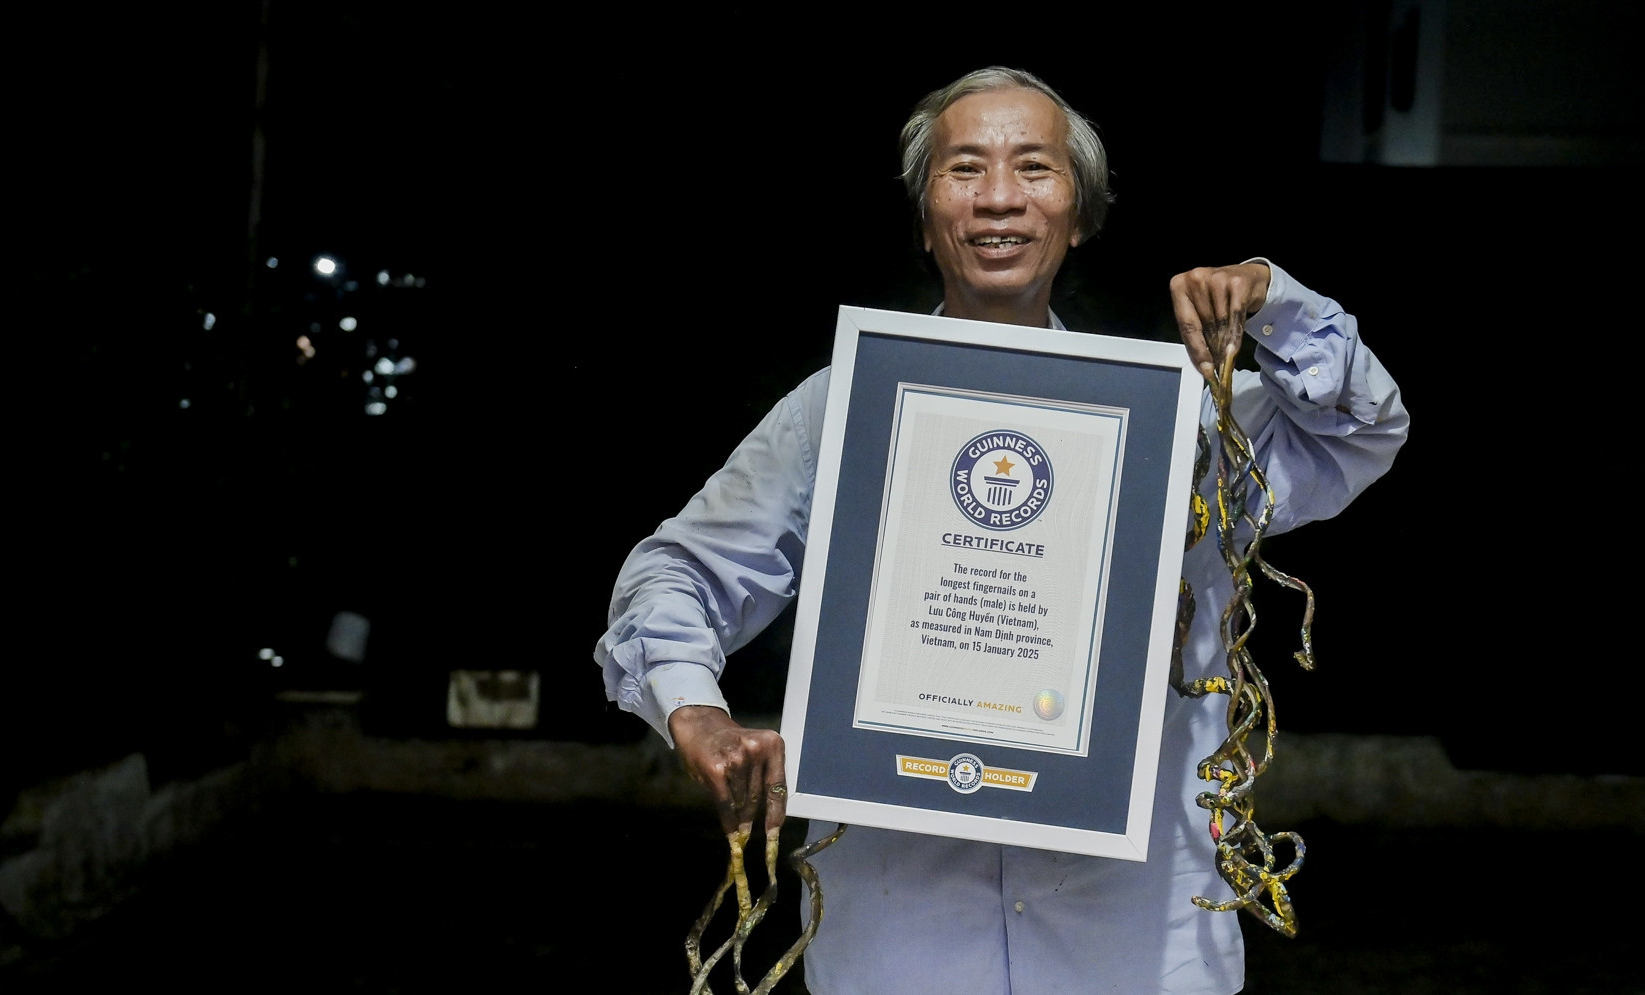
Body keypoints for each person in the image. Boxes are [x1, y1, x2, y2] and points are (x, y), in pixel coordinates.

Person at [594, 67, 1409, 994]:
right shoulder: (845, 410)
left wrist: (1274, 298)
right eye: (964, 167)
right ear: (924, 208)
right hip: (901, 932)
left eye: (1034, 167)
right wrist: (693, 710)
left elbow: (1360, 427)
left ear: (1080, 208)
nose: (998, 199)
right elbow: (676, 575)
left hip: (1137, 938)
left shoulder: (1176, 419)